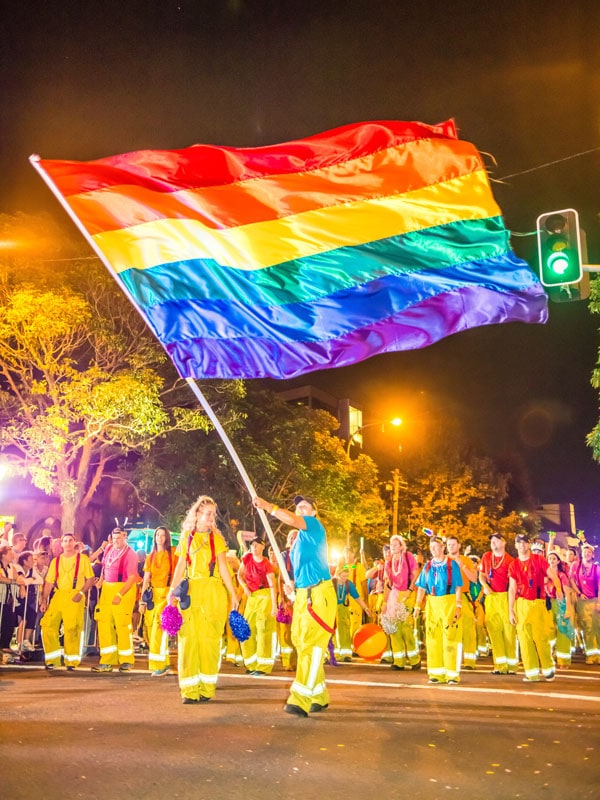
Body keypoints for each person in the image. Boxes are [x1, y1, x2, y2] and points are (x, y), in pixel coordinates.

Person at [252, 493, 336, 718]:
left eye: (306, 507)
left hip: (319, 596)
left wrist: (269, 507)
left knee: (312, 645)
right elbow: (302, 572)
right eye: (298, 507)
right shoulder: (298, 542)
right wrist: (293, 590)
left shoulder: (314, 527)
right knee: (301, 642)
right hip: (304, 596)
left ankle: (300, 698)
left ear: (314, 512)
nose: (301, 510)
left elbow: (291, 520)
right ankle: (319, 694)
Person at [168, 495, 238, 704]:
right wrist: (171, 591)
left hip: (213, 593)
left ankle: (207, 688)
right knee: (188, 640)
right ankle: (189, 690)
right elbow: (181, 566)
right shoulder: (186, 538)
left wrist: (233, 593)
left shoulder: (217, 539)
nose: (211, 518)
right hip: (190, 594)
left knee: (209, 642)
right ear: (197, 514)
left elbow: (224, 568)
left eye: (213, 515)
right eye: (208, 514)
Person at [39, 533, 96, 671]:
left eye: (70, 541)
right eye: (65, 541)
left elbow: (90, 579)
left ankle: (71, 660)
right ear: (62, 544)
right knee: (47, 624)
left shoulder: (83, 559)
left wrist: (81, 593)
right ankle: (52, 659)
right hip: (59, 595)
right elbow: (49, 582)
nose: (68, 543)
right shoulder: (56, 561)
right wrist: (44, 600)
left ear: (74, 543)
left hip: (75, 595)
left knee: (72, 628)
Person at [508, 533, 560, 682]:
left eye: (524, 542)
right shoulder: (514, 565)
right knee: (524, 640)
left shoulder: (539, 560)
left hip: (537, 603)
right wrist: (510, 609)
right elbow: (512, 589)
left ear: (528, 545)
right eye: (519, 543)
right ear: (516, 545)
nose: (522, 545)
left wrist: (559, 589)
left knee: (541, 638)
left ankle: (548, 669)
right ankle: (531, 673)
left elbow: (553, 575)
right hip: (521, 604)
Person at [414, 536, 463, 684]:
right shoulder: (427, 567)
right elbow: (422, 587)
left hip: (448, 602)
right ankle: (436, 673)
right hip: (432, 604)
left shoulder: (451, 565)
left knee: (450, 638)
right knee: (433, 638)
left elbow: (458, 586)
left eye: (437, 547)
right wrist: (417, 605)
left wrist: (458, 605)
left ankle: (452, 675)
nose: (435, 550)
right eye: (432, 548)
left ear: (443, 548)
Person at [92, 527, 139, 673]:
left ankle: (126, 660)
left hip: (123, 589)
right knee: (104, 623)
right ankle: (107, 660)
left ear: (125, 536)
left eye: (119, 538)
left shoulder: (131, 554)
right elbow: (104, 567)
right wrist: (100, 581)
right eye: (114, 538)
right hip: (107, 589)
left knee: (122, 625)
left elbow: (132, 578)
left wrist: (120, 595)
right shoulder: (109, 549)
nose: (116, 541)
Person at [138, 526, 177, 676]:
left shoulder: (173, 553)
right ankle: (163, 662)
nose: (160, 538)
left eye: (162, 535)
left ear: (167, 537)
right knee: (150, 631)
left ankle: (159, 665)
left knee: (158, 630)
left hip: (167, 595)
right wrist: (142, 601)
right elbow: (146, 579)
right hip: (152, 597)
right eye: (157, 535)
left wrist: (174, 596)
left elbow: (178, 574)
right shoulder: (151, 556)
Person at [237, 534, 278, 675]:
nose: (253, 547)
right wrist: (245, 587)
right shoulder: (247, 559)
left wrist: (274, 605)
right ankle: (251, 664)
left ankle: (263, 666)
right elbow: (239, 575)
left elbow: (273, 585)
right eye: (252, 545)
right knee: (247, 629)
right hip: (252, 597)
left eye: (256, 545)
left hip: (265, 595)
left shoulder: (266, 564)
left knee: (263, 630)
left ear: (262, 546)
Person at [478, 533, 517, 674]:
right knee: (494, 631)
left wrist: (512, 605)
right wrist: (484, 585)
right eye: (492, 541)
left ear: (503, 542)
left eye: (496, 541)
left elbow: (514, 584)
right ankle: (500, 665)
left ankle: (512, 665)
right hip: (491, 597)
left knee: (508, 632)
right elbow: (481, 574)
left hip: (505, 597)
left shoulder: (510, 561)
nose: (493, 543)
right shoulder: (486, 556)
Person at [380, 535, 420, 670]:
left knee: (406, 628)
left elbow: (416, 573)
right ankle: (399, 661)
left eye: (396, 544)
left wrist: (410, 589)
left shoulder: (408, 557)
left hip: (407, 594)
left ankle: (415, 660)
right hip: (394, 595)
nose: (393, 547)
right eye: (391, 544)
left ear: (401, 546)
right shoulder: (388, 562)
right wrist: (385, 603)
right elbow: (388, 584)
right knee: (393, 628)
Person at [446, 535, 479, 670]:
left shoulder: (466, 560)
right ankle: (451, 660)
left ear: (459, 546)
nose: (451, 547)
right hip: (447, 597)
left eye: (454, 544)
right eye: (449, 545)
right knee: (449, 630)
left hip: (464, 597)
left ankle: (470, 661)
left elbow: (474, 579)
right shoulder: (443, 560)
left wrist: (463, 566)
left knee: (468, 630)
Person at [569, 542, 600, 664]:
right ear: (582, 554)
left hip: (595, 600)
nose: (587, 554)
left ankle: (598, 654)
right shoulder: (576, 566)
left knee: (597, 627)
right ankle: (591, 655)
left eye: (589, 552)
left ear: (593, 555)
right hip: (583, 602)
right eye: (585, 552)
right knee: (587, 628)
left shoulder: (597, 569)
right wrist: (579, 592)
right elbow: (571, 580)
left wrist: (599, 602)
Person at [333, 565, 371, 661]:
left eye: (347, 576)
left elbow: (357, 598)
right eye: (343, 576)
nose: (345, 578)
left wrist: (365, 608)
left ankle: (346, 654)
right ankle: (332, 655)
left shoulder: (348, 584)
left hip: (343, 608)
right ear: (338, 574)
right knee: (330, 631)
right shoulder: (331, 583)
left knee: (345, 630)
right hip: (331, 608)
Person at [545, 550, 575, 668]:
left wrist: (568, 609)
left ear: (558, 561)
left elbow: (567, 593)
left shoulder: (562, 576)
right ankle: (549, 657)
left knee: (563, 631)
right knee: (548, 631)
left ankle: (563, 660)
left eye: (554, 558)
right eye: (549, 558)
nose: (551, 560)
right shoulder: (545, 576)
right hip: (548, 605)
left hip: (560, 604)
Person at [0, 544, 24, 662]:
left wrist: (22, 586)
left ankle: (5, 645)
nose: (13, 555)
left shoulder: (11, 567)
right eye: (10, 553)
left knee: (9, 621)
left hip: (9, 599)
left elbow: (19, 579)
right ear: (3, 555)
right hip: (0, 597)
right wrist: (13, 582)